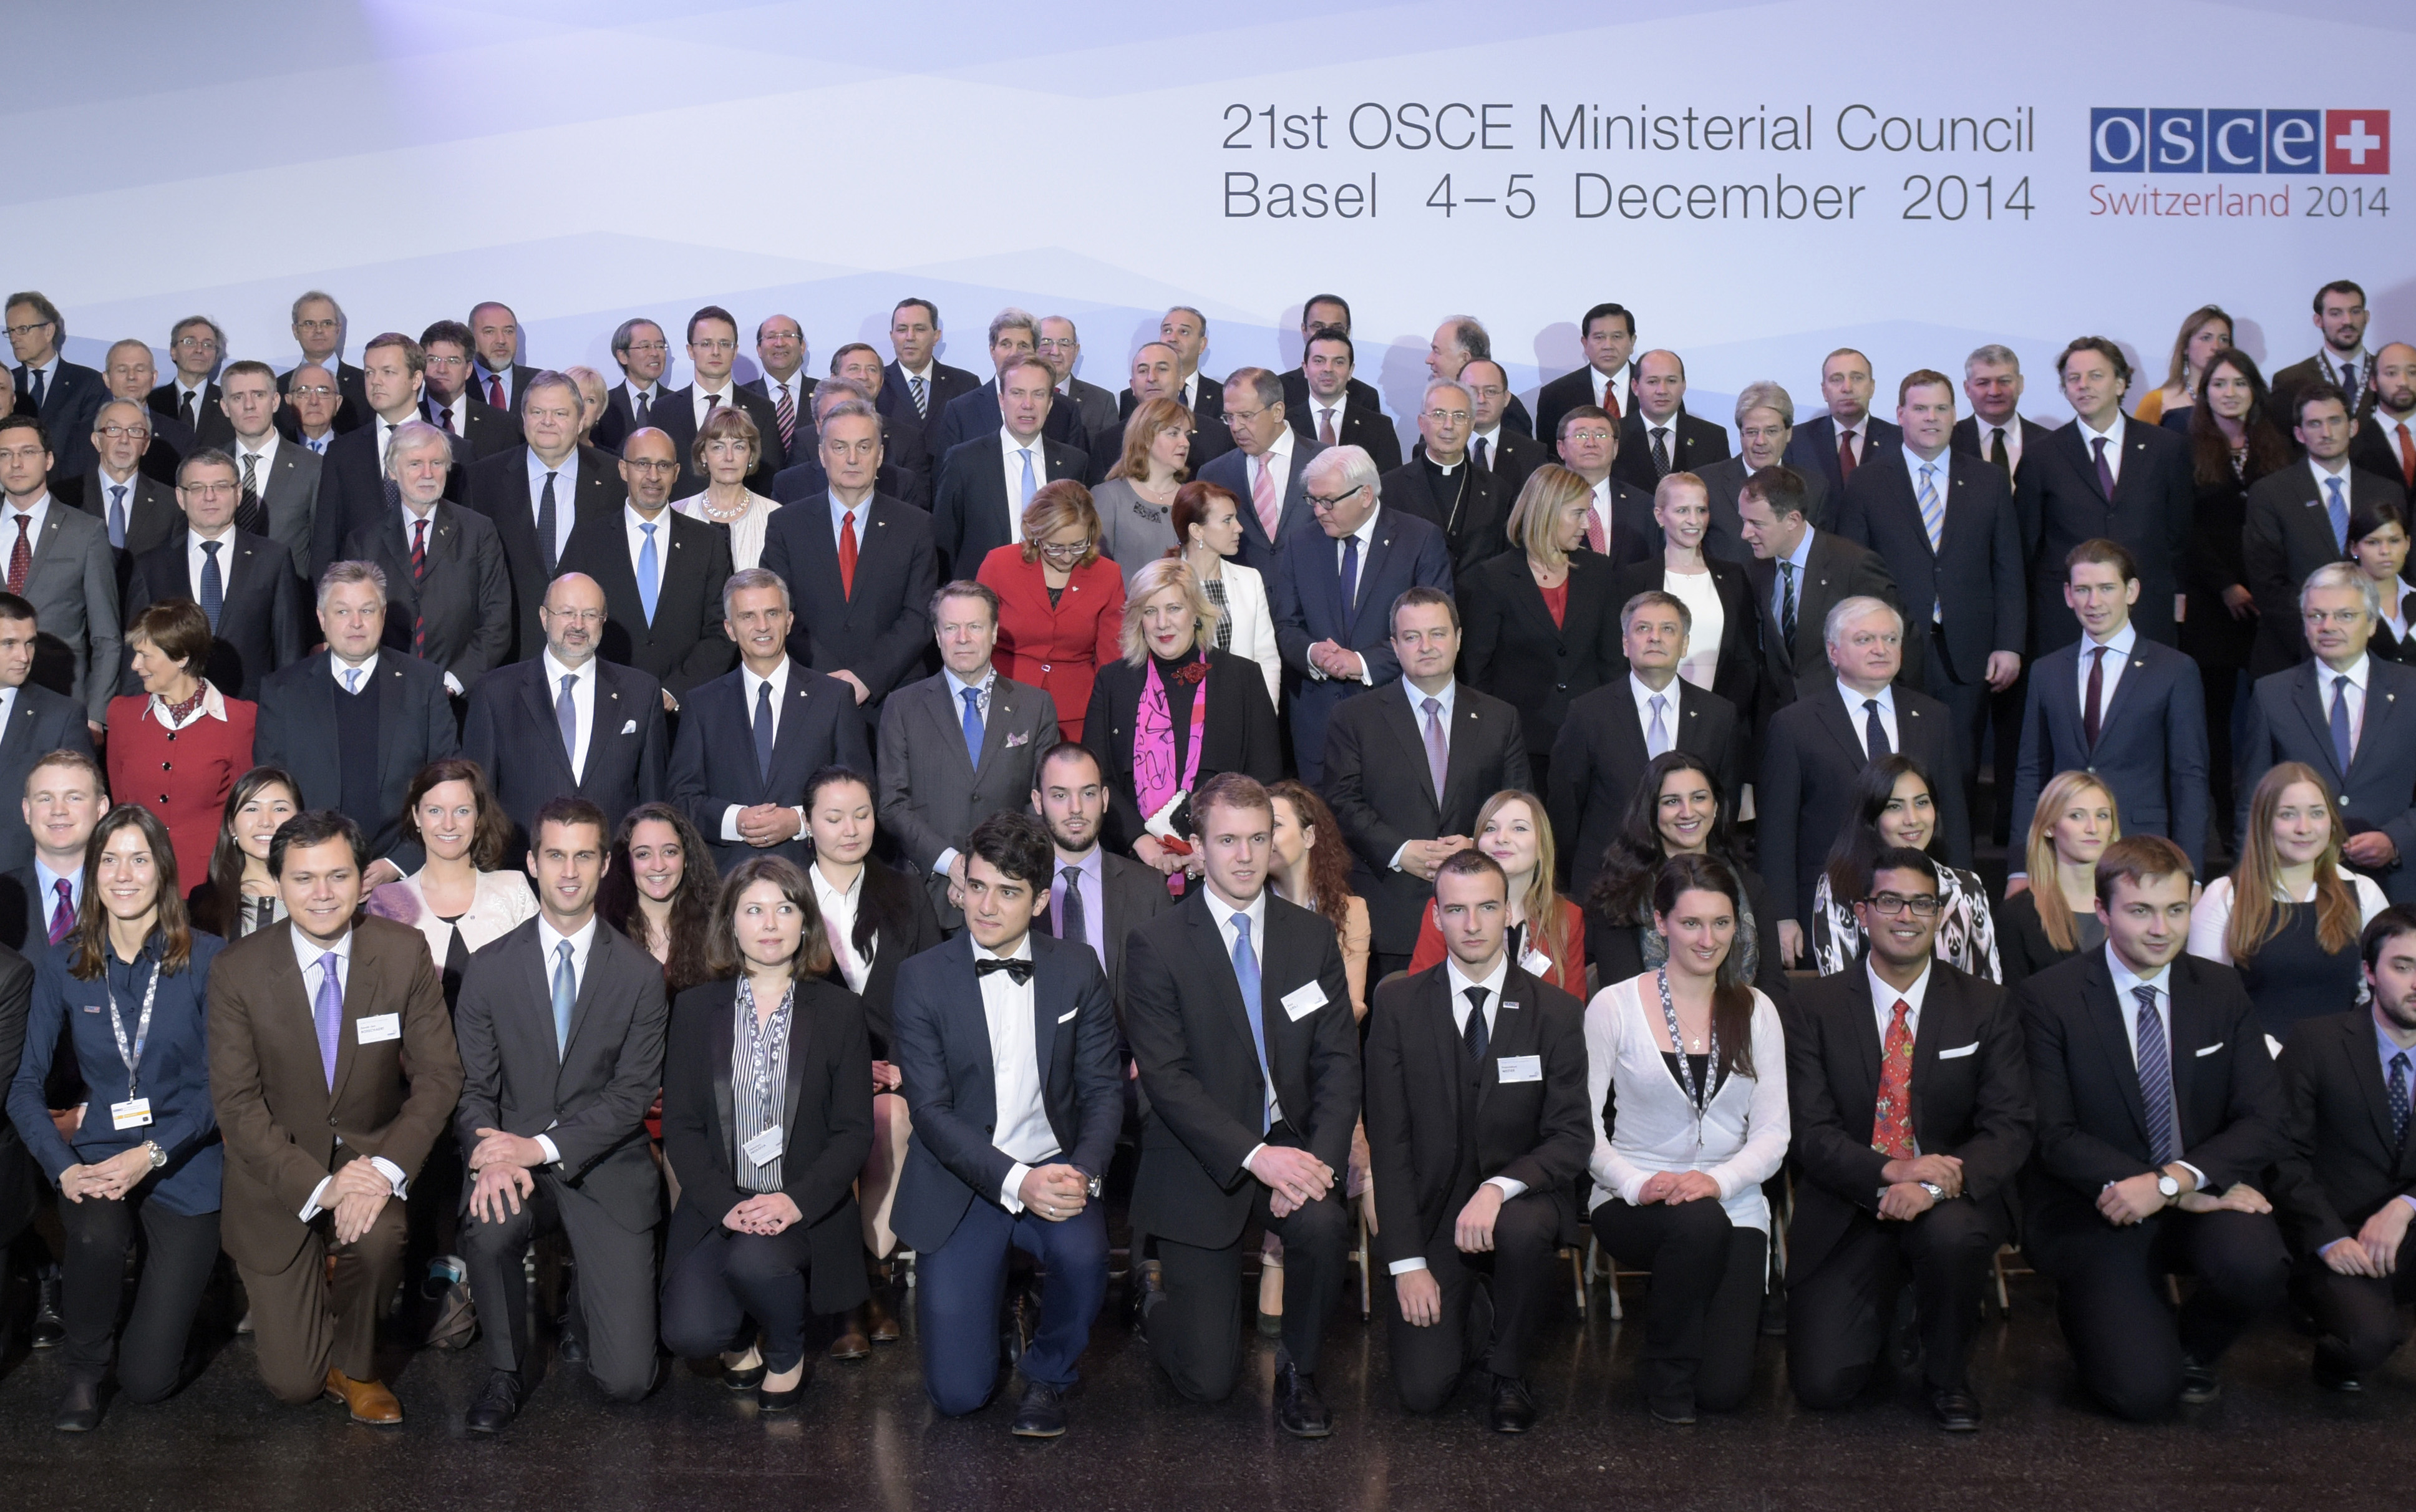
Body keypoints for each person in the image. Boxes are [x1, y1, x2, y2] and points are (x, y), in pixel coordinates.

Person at [2016, 834, 2287, 1420]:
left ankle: (2192, 1349)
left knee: (2257, 1264)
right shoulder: (2049, 999)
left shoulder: (2219, 989)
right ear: (2103, 910)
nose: (2160, 928)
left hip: (2197, 1190)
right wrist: (2148, 1184)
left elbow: (2266, 1117)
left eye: (2175, 910)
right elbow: (2052, 1134)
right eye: (2140, 911)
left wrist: (2174, 1183)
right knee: (2140, 1396)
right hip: (2098, 1207)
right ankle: (2100, 1319)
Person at [205, 809, 463, 1422]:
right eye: (303, 878)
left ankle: (356, 1366)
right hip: (278, 1182)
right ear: (277, 883)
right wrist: (322, 1186)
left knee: (380, 1240)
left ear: (361, 879)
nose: (322, 894)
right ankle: (306, 1322)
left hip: (369, 1162)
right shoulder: (237, 971)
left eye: (337, 875)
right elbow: (238, 1107)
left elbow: (439, 1076)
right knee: (293, 1385)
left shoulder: (401, 954)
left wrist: (384, 1169)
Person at [1124, 773, 1359, 1435]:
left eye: (1259, 838)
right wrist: (1260, 1159)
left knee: (1321, 1224)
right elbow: (1166, 1081)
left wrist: (1318, 1164)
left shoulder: (1311, 938)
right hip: (1206, 1158)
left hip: (1294, 1141)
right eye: (1228, 840)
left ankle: (1300, 1370)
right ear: (1196, 846)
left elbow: (1339, 1062)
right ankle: (1150, 1303)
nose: (1246, 855)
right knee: (1207, 1382)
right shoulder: (1156, 946)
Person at [1783, 846, 2032, 1431]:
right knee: (1824, 1386)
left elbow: (2010, 1124)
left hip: (1949, 1200)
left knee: (1950, 1239)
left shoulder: (1986, 1005)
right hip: (1852, 1200)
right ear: (1861, 912)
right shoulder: (1811, 1005)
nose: (1906, 915)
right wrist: (1888, 1173)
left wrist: (1938, 1185)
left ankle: (1948, 1375)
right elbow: (1808, 1130)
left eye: (1921, 902)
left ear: (1940, 913)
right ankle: (1893, 1307)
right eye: (1889, 901)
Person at [887, 812, 1120, 1435]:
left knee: (1085, 1254)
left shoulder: (1077, 968)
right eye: (977, 885)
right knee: (958, 1397)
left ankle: (1048, 1371)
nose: (986, 906)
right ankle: (998, 1307)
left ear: (1041, 899)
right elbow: (931, 1114)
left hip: (1056, 1165)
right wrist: (1020, 1182)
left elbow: (1102, 1092)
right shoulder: (921, 978)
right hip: (965, 1181)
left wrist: (1082, 1173)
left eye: (1009, 891)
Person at [453, 796, 668, 1431]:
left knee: (629, 1383)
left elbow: (632, 1095)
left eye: (583, 856)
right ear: (532, 863)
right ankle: (504, 1371)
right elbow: (472, 1091)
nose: (568, 871)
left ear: (606, 864)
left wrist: (537, 1148)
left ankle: (581, 1311)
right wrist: (487, 1154)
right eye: (555, 855)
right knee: (490, 1224)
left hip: (605, 1167)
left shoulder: (640, 977)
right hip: (510, 1161)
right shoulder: (489, 970)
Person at [6, 805, 223, 1430]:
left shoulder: (208, 958)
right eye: (109, 859)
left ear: (163, 870)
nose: (123, 874)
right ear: (93, 871)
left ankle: (173, 1323)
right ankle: (82, 1372)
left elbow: (223, 1089)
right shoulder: (64, 963)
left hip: (187, 1160)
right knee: (98, 1233)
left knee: (149, 1384)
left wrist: (149, 1155)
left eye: (139, 858)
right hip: (98, 1155)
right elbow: (23, 1088)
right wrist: (63, 1170)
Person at [1365, 848, 1590, 1431]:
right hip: (1434, 1211)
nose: (1472, 924)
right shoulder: (1396, 1005)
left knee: (1521, 1229)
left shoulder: (1557, 1014)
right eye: (1457, 910)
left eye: (1487, 908)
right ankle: (1473, 1307)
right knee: (1421, 1391)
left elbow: (1571, 1138)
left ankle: (1509, 1369)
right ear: (1435, 918)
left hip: (1520, 1201)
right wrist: (1407, 1263)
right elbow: (1389, 1145)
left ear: (1507, 918)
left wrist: (1497, 1187)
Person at [657, 856, 872, 1411]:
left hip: (802, 1204)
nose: (770, 924)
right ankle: (737, 1337)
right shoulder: (694, 1009)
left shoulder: (840, 1011)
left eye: (785, 908)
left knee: (755, 1262)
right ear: (731, 923)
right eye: (754, 910)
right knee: (689, 1335)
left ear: (806, 922)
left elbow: (852, 1132)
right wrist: (726, 1207)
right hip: (719, 1203)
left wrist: (793, 1202)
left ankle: (785, 1346)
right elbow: (680, 1126)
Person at [1584, 852, 1790, 1423]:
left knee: (1723, 1392)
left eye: (1721, 923)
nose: (1708, 939)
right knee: (1694, 1224)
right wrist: (1636, 1182)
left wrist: (1715, 1181)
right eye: (1691, 923)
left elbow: (1773, 1135)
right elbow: (1581, 1126)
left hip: (1734, 1201)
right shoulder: (1614, 1006)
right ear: (1660, 922)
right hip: (1632, 1199)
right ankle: (1665, 1369)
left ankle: (1684, 1341)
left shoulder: (1756, 1010)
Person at [1836, 370, 2025, 818]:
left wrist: (2009, 644)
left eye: (1941, 408)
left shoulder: (1988, 480)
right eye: (1919, 408)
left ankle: (1953, 869)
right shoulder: (1867, 481)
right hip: (1893, 649)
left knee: (1958, 771)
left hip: (1970, 652)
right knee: (1894, 771)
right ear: (1899, 414)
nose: (1931, 418)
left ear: (1955, 414)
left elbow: (2008, 569)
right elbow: (1855, 571)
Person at [799, 767, 938, 1359]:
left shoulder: (906, 891)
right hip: (802, 1072)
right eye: (833, 817)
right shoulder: (781, 893)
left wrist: (903, 1063)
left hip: (893, 1068)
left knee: (886, 1123)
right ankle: (848, 1295)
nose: (850, 829)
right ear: (807, 823)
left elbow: (933, 992)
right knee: (826, 1128)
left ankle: (873, 1277)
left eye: (861, 814)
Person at [1324, 586, 1531, 980]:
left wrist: (1480, 846)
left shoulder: (1499, 718)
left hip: (1482, 915)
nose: (1427, 646)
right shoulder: (1354, 717)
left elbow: (1519, 806)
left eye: (1437, 633)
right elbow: (1341, 801)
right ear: (1395, 646)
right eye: (1412, 637)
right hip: (1390, 913)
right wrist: (1401, 851)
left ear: (1458, 638)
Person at [1759, 596, 1971, 966]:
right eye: (1865, 640)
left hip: (1920, 910)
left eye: (1890, 640)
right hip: (1830, 909)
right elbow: (1777, 830)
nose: (1880, 649)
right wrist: (1782, 916)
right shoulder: (1795, 724)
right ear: (1833, 651)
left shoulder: (1934, 718)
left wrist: (1962, 901)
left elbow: (1952, 814)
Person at [2271, 906, 2416, 1391]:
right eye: (2403, 966)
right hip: (2339, 1236)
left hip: (2410, 1226)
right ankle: (2332, 1329)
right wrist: (2328, 1237)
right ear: (2369, 973)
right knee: (2365, 1345)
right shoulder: (2317, 1042)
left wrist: (2405, 1204)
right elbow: (2282, 1154)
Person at [2008, 538, 2210, 878]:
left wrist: (2192, 874)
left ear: (2131, 591)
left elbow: (2189, 778)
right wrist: (2020, 871)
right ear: (2068, 595)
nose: (2094, 602)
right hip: (2063, 858)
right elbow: (2031, 773)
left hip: (2145, 853)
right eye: (2083, 590)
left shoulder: (2175, 670)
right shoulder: (2047, 671)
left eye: (2106, 588)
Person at [875, 581, 1057, 930]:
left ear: (993, 633)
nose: (963, 638)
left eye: (974, 627)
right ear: (937, 634)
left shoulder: (1035, 706)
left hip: (1010, 893)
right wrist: (953, 865)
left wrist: (991, 874)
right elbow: (892, 805)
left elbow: (1041, 802)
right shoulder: (902, 706)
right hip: (927, 895)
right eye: (951, 628)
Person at [252, 561, 460, 866]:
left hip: (403, 872)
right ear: (322, 618)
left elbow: (448, 783)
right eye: (342, 612)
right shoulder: (282, 691)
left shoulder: (423, 683)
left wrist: (398, 864)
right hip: (310, 867)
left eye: (367, 610)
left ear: (383, 615)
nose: (356, 623)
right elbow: (270, 792)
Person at [1270, 444, 1455, 786]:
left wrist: (1363, 662)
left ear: (1365, 494)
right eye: (1313, 500)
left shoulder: (1419, 539)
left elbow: (1436, 630)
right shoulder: (1301, 542)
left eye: (1328, 501)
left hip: (1394, 717)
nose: (1319, 511)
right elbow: (1286, 624)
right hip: (1317, 723)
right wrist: (1313, 654)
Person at [1082, 559, 1280, 876]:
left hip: (1224, 863)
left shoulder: (1243, 678)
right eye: (1150, 611)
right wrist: (1140, 841)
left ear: (1196, 612)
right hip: (1134, 863)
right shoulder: (1113, 681)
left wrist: (1217, 848)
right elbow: (1096, 776)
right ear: (1138, 619)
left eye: (1174, 608)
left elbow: (1266, 780)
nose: (1162, 623)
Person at [759, 399, 938, 747]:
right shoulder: (786, 524)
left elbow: (918, 617)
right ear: (823, 456)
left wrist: (865, 677)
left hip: (892, 700)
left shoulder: (916, 526)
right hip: (808, 693)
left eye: (864, 447)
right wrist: (830, 682)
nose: (852, 459)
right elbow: (778, 610)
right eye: (840, 448)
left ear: (881, 456)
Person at [667, 568, 871, 874]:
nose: (762, 626)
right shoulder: (701, 704)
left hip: (814, 879)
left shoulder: (834, 698)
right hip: (726, 885)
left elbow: (863, 792)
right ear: (730, 628)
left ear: (788, 622)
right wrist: (736, 821)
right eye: (748, 616)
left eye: (772, 613)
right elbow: (681, 801)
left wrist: (800, 821)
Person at [2237, 563, 2416, 903]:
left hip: (2399, 886)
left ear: (2373, 623)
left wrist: (2397, 840)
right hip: (2297, 885)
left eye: (2345, 616)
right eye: (2316, 616)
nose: (2328, 627)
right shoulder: (2271, 694)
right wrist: (2249, 886)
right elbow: (2252, 802)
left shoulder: (2412, 691)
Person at [1550, 593, 1745, 903]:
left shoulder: (1719, 715)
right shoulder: (1587, 713)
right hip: (1606, 886)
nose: (1655, 638)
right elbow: (1565, 810)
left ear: (1684, 644)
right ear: (1626, 645)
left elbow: (1725, 806)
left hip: (1693, 887)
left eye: (1668, 629)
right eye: (1643, 629)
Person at [458, 571, 669, 853]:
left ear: (603, 621)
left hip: (614, 874)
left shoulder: (641, 692)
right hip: (523, 871)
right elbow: (479, 800)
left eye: (590, 615)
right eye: (567, 613)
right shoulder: (494, 692)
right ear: (545, 617)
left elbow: (654, 803)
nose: (578, 625)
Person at [2188, 762, 2389, 1046]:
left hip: (2343, 1063)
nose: (2303, 828)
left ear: (2331, 823)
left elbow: (2377, 994)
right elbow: (2208, 1001)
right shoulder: (2224, 896)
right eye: (2288, 815)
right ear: (2264, 822)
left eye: (2316, 814)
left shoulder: (2364, 893)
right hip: (2256, 1065)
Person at [2014, 336, 2194, 652]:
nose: (2084, 385)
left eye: (2096, 376)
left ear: (2122, 383)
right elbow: (2028, 547)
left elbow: (2179, 535)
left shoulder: (2166, 448)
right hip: (2066, 622)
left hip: (2146, 614)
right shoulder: (2041, 456)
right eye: (2074, 378)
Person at [1462, 465, 1626, 800]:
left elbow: (1612, 663)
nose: (1587, 524)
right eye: (1579, 513)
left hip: (1587, 740)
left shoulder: (1600, 573)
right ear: (1548, 512)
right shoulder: (1492, 578)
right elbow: (1477, 672)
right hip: (1518, 745)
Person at [2181, 348, 2290, 835]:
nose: (2229, 393)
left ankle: (2270, 814)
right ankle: (2225, 821)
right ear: (2205, 393)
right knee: (2215, 719)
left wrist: (2264, 589)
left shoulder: (2279, 444)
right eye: (2219, 384)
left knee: (2271, 712)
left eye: (2239, 384)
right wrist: (2226, 585)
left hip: (2271, 602)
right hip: (2211, 603)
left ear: (2254, 390)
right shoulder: (2184, 446)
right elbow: (2184, 528)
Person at [1584, 752, 1790, 1001]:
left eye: (1699, 798)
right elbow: (1623, 998)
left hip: (1744, 1030)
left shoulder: (1750, 886)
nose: (1687, 812)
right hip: (1649, 1033)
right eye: (1672, 802)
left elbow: (1773, 989)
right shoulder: (1620, 893)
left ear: (1715, 807)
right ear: (1651, 811)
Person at [559, 428, 736, 706]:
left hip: (684, 712)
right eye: (642, 464)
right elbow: (567, 623)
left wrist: (674, 691)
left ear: (676, 472)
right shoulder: (588, 540)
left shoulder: (708, 542)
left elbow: (722, 629)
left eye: (663, 466)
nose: (653, 476)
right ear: (623, 469)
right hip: (604, 704)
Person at [2244, 383, 2409, 674]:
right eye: (2315, 424)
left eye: (2335, 421)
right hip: (2293, 655)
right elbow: (2267, 582)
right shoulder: (2270, 493)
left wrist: (2366, 636)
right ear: (2299, 433)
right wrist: (2323, 634)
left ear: (2353, 426)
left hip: (2378, 655)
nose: (2326, 432)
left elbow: (2399, 574)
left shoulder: (2387, 491)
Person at [463, 371, 627, 662]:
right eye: (537, 412)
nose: (547, 421)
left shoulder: (617, 478)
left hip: (596, 655)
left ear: (580, 421)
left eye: (560, 413)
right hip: (509, 653)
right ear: (523, 417)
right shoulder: (481, 479)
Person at [340, 420, 511, 697]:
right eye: (415, 464)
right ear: (393, 472)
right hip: (387, 695)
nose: (427, 474)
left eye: (437, 463)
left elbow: (497, 622)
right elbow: (355, 622)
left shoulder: (479, 532)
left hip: (462, 699)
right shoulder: (364, 541)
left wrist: (452, 684)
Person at [120, 448, 307, 700]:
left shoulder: (273, 560)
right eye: (197, 488)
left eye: (220, 486)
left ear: (238, 493)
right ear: (180, 497)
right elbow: (136, 655)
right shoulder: (151, 567)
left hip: (251, 715)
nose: (210, 497)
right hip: (170, 717)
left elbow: (289, 654)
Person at [1806, 754, 2000, 980]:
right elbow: (1838, 991)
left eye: (1921, 803)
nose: (1912, 819)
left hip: (1957, 1015)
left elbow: (1989, 991)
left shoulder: (1966, 887)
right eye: (1895, 807)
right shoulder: (1840, 886)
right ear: (1872, 817)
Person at [365, 758, 538, 1009]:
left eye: (462, 811)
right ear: (416, 815)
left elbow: (538, 991)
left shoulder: (513, 890)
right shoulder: (387, 901)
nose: (449, 824)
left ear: (479, 817)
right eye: (435, 811)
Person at [107, 599, 256, 888]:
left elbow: (244, 810)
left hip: (210, 886)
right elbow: (120, 805)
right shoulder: (122, 715)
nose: (135, 665)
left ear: (181, 658)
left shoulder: (241, 720)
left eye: (145, 655)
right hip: (138, 882)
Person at [1737, 463, 1899, 710]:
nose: (1745, 533)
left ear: (1792, 520)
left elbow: (1897, 642)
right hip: (1782, 717)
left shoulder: (1853, 565)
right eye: (1744, 521)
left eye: (1756, 524)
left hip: (1844, 716)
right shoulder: (1756, 569)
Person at [308, 331, 462, 583]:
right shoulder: (342, 452)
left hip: (438, 599)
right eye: (369, 372)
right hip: (364, 603)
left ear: (416, 379)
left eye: (388, 372)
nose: (375, 381)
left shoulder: (457, 450)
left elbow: (468, 539)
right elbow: (327, 542)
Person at [0, 414, 120, 737]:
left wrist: (96, 716)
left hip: (63, 704)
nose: (15, 464)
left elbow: (106, 636)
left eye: (27, 452)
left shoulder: (86, 531)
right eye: (4, 454)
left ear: (49, 459)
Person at [978, 480, 1125, 744]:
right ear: (1035, 534)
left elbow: (1111, 659)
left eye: (1078, 545)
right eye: (1055, 547)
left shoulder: (1108, 574)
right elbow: (977, 639)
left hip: (1077, 713)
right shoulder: (999, 564)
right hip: (1005, 702)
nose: (1067, 557)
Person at [1608, 471, 1760, 725]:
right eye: (1682, 511)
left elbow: (1746, 660)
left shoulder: (1733, 576)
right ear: (1659, 516)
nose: (1694, 520)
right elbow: (1619, 655)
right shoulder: (1634, 578)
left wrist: (1724, 715)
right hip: (1648, 716)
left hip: (1719, 721)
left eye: (1701, 510)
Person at [1406, 789, 1585, 994]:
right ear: (1477, 845)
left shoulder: (1567, 916)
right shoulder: (1447, 907)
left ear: (1541, 846)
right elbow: (1419, 995)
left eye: (1519, 828)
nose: (1501, 838)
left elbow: (1573, 1009)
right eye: (1490, 829)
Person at [931, 356, 1089, 577]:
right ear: (1002, 400)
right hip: (984, 598)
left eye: (1039, 394)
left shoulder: (1074, 463)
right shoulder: (964, 461)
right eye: (1017, 393)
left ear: (1050, 403)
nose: (1028, 404)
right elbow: (944, 543)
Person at [643, 306, 785, 498]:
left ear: (735, 351)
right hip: (679, 520)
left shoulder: (762, 409)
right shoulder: (663, 410)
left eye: (725, 344)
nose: (716, 352)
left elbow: (770, 478)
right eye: (706, 344)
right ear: (691, 350)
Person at [1160, 481, 1279, 705]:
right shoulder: (1162, 583)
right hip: (1180, 711)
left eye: (1235, 518)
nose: (1239, 527)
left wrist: (1266, 713)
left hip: (1240, 710)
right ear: (1197, 530)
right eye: (1227, 521)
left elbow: (1266, 657)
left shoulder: (1249, 579)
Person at [0, 595, 93, 879]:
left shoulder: (62, 716)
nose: (24, 657)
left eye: (30, 643)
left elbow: (82, 807)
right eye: (9, 644)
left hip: (21, 885)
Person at [1198, 367, 1326, 572]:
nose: (1236, 426)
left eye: (1246, 416)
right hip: (1242, 600)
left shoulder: (1326, 461)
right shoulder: (1214, 474)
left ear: (1277, 412)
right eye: (1229, 417)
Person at [1996, 772, 2117, 987]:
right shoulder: (2017, 915)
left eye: (2102, 816)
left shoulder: (2128, 907)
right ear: (2050, 828)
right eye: (2076, 816)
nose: (2093, 828)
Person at [1379, 379, 1504, 575]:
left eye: (1459, 416)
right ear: (1422, 423)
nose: (1449, 425)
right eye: (1438, 415)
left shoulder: (1498, 491)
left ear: (1471, 425)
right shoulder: (1390, 488)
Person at [597, 802, 719, 999]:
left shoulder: (716, 929)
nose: (658, 865)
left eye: (669, 852)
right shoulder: (604, 930)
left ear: (686, 858)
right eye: (643, 854)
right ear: (626, 862)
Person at [929, 308, 1089, 456]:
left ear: (1035, 351)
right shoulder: (961, 411)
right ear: (992, 351)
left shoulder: (1065, 411)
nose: (1013, 353)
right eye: (1006, 344)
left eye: (1023, 345)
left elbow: (1073, 481)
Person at [1694, 381, 1821, 561]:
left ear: (1789, 433)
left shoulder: (1815, 487)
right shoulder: (1706, 483)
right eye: (1752, 432)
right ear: (1741, 434)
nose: (1761, 441)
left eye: (1771, 431)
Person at [215, 361, 323, 563]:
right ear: (225, 407)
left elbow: (324, 547)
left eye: (258, 395)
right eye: (238, 397)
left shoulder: (313, 468)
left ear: (275, 401)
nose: (249, 405)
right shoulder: (209, 467)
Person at [60, 395, 177, 570]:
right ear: (97, 441)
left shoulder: (170, 503)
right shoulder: (64, 498)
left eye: (135, 431)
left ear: (145, 445)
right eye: (114, 429)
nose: (124, 440)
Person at [188, 766, 301, 940]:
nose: (265, 822)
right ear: (231, 826)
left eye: (279, 809)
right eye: (252, 809)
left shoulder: (319, 895)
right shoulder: (202, 902)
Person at [6, 292, 107, 478]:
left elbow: (89, 449)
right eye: (10, 331)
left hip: (68, 494)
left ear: (48, 331)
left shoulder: (87, 383)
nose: (14, 338)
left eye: (22, 329)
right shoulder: (6, 385)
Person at [672, 404, 782, 571]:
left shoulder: (774, 516)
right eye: (718, 447)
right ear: (703, 455)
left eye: (739, 447)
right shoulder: (678, 513)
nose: (729, 457)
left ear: (751, 455)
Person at [1090, 395, 1190, 577]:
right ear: (1145, 438)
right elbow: (1095, 570)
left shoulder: (1193, 498)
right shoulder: (1110, 497)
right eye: (1174, 433)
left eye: (1187, 435)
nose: (1185, 443)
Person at [1785, 348, 1903, 501]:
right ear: (1824, 391)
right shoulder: (1796, 442)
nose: (1847, 388)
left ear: (1872, 387)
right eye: (1837, 379)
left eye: (1857, 378)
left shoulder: (1900, 441)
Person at [878, 298, 982, 462]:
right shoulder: (876, 385)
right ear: (892, 336)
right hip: (894, 486)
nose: (910, 337)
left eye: (919, 329)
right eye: (902, 329)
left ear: (936, 336)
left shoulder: (966, 384)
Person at [1612, 350, 1730, 495]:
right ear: (1635, 387)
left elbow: (1722, 496)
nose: (1662, 390)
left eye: (1671, 381)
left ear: (1683, 386)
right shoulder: (1615, 435)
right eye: (1653, 382)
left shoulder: (1712, 438)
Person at [1285, 329, 1399, 473]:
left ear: (1351, 370)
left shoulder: (1380, 428)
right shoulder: (1284, 425)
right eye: (1319, 361)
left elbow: (1391, 487)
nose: (1328, 369)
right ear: (1305, 369)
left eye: (1339, 362)